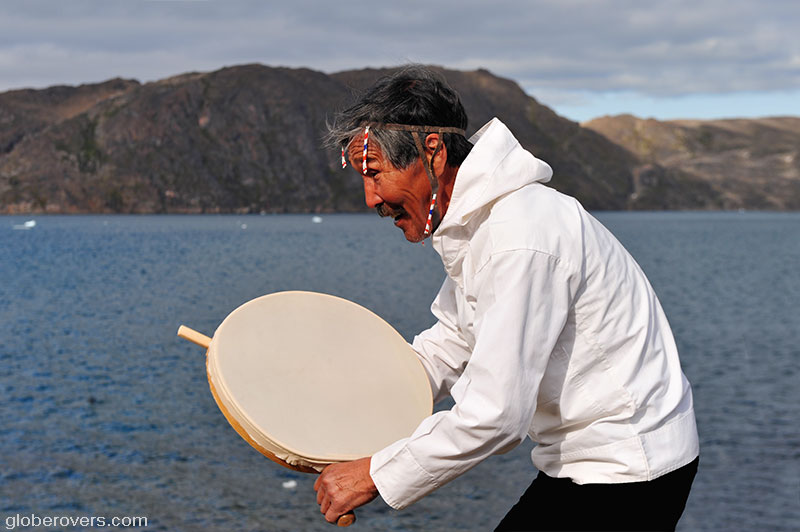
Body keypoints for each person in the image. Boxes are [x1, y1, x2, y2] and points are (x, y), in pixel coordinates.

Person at [315, 66, 699, 531]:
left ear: (432, 153)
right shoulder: (482, 222)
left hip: (628, 469)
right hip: (590, 462)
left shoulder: (519, 235)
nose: (370, 197)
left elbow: (496, 414)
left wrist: (376, 474)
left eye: (374, 173)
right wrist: (357, 402)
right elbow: (455, 339)